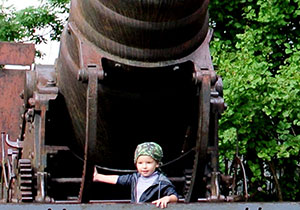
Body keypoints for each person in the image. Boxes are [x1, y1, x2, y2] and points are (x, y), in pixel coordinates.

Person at [93, 142, 178, 208]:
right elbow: (118, 179)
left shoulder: (161, 182)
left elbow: (174, 196)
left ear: (157, 164)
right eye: (140, 163)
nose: (144, 166)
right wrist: (98, 177)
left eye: (148, 163)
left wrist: (167, 198)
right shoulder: (135, 178)